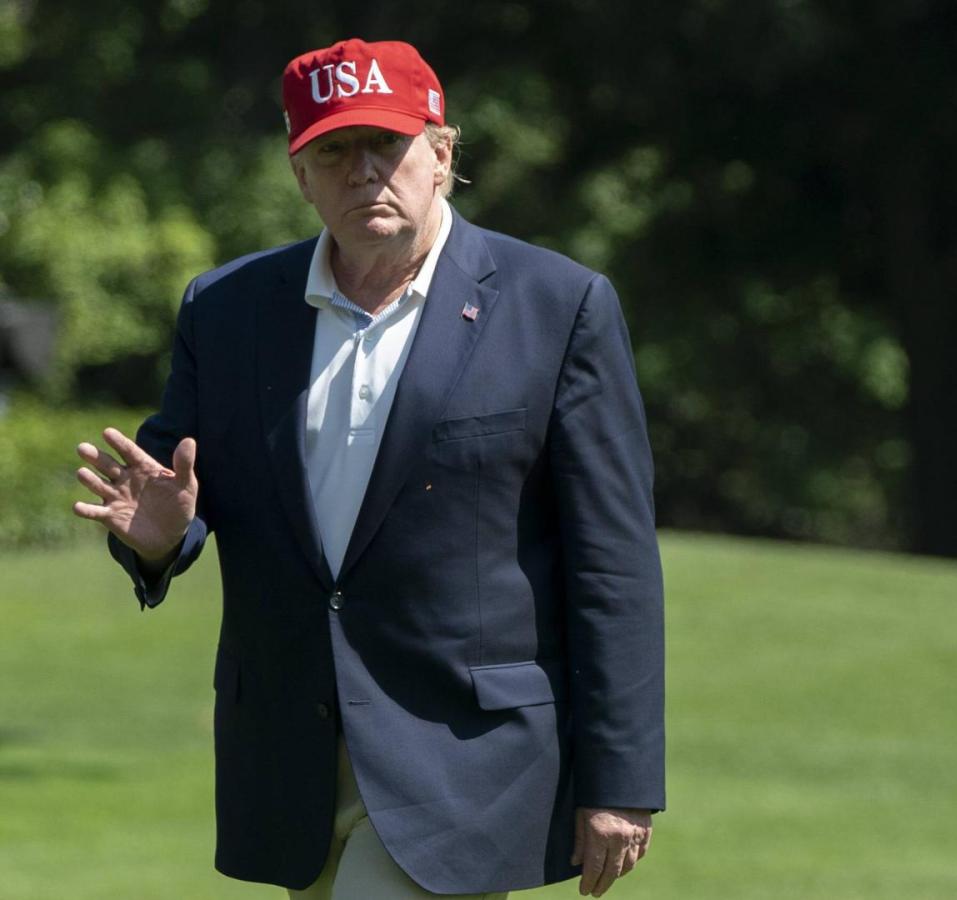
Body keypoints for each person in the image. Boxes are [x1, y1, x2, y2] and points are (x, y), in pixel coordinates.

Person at [72, 38, 664, 900]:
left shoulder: (558, 306)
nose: (363, 173)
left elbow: (612, 564)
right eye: (333, 151)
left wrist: (620, 780)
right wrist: (160, 542)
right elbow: (176, 490)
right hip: (287, 758)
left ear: (442, 154)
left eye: (386, 145)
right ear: (300, 175)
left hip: (462, 763)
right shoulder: (227, 309)